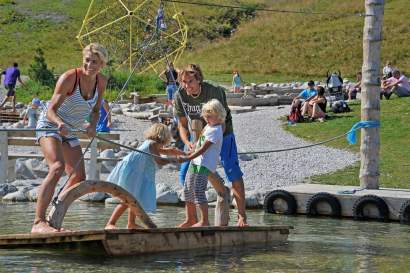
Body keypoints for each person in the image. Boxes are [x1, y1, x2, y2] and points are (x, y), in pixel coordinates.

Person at [32, 43, 108, 233]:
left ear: (102, 64)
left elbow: (97, 110)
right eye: (87, 61)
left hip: (71, 130)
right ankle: (38, 222)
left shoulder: (101, 82)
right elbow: (50, 110)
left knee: (79, 176)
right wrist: (59, 123)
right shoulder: (69, 78)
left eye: (95, 62)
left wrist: (92, 125)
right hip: (50, 125)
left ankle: (52, 217)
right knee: (57, 167)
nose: (90, 65)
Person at [174, 64, 248, 227]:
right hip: (197, 136)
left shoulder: (214, 90)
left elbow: (221, 121)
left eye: (190, 81)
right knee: (185, 174)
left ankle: (242, 216)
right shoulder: (179, 94)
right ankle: (192, 218)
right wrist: (188, 143)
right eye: (183, 82)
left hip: (221, 132)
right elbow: (181, 124)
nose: (187, 85)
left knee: (232, 170)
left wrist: (207, 144)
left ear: (199, 79)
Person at [105, 123, 186, 229]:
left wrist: (173, 152)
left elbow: (162, 151)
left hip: (135, 171)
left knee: (134, 198)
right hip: (133, 172)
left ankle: (131, 223)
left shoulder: (152, 144)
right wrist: (173, 160)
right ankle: (111, 223)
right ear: (164, 136)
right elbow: (159, 161)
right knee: (127, 199)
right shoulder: (152, 144)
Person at [178, 99, 225, 227]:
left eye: (210, 116)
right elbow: (199, 143)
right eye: (206, 116)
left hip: (204, 165)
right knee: (187, 189)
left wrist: (188, 157)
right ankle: (190, 219)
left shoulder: (216, 130)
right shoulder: (208, 126)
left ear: (218, 115)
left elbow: (204, 148)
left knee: (198, 190)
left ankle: (204, 221)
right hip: (196, 162)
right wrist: (190, 152)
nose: (207, 119)